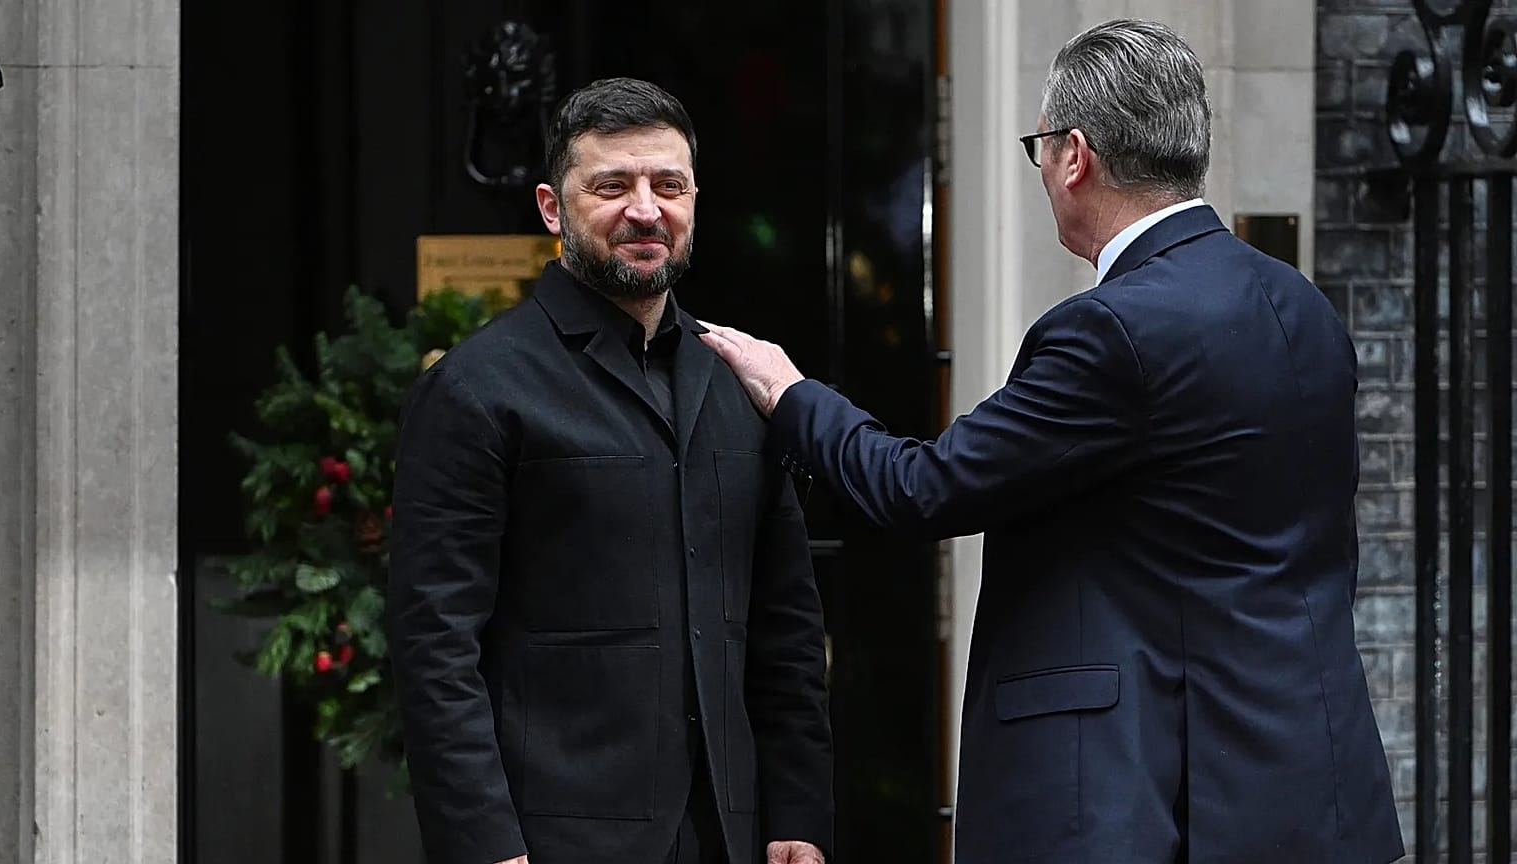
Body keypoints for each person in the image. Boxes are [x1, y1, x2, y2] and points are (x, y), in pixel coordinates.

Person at [701, 19, 1404, 864]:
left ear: (1075, 155)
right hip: (1307, 788)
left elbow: (923, 488)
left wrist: (790, 394)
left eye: (1040, 149)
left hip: (1149, 798)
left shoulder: (1111, 329)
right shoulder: (1304, 308)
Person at [387, 77, 833, 864]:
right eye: (611, 185)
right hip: (550, 839)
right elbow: (436, 645)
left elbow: (785, 628)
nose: (645, 209)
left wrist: (796, 814)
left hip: (730, 837)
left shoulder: (740, 382)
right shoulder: (476, 387)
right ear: (552, 209)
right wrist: (485, 843)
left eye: (669, 185)